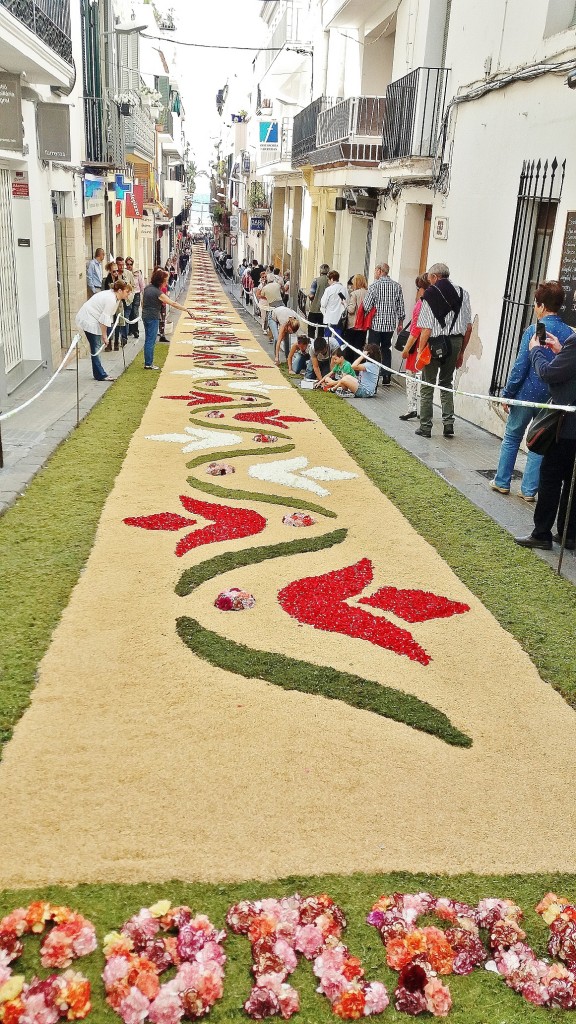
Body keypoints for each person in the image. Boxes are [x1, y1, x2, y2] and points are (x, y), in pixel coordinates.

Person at [491, 282, 573, 500]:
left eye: (536, 304)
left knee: (512, 437)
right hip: (551, 398)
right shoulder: (569, 334)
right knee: (540, 442)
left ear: (542, 306)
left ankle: (502, 482)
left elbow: (520, 366)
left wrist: (508, 393)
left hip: (525, 394)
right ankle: (528, 491)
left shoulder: (533, 331)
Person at [515, 328, 576, 551]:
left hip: (566, 427)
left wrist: (535, 352)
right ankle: (569, 534)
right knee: (572, 482)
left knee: (551, 478)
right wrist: (561, 350)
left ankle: (542, 533)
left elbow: (549, 373)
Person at [415, 262, 472, 438]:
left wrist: (419, 351)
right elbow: (468, 327)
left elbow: (426, 329)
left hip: (433, 344)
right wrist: (462, 352)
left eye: (430, 278)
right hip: (455, 342)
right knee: (446, 383)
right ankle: (448, 424)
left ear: (434, 277)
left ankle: (425, 427)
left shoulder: (430, 295)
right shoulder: (463, 293)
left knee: (427, 385)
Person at [75, 279, 130, 382]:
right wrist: (104, 336)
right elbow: (103, 320)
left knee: (96, 347)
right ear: (119, 290)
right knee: (96, 348)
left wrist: (104, 334)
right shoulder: (111, 299)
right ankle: (101, 375)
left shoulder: (114, 297)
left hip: (94, 318)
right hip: (89, 319)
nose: (128, 294)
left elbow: (107, 317)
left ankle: (98, 373)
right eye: (126, 292)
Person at [361, 264, 405, 385]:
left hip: (376, 323)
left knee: (373, 349)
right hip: (390, 325)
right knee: (386, 348)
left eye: (375, 270)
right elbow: (400, 306)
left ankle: (372, 375)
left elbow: (367, 305)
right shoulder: (397, 286)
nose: (374, 272)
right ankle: (386, 376)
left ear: (380, 271)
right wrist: (400, 322)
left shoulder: (374, 286)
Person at [141, 268, 190, 370]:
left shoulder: (147, 288)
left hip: (145, 316)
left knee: (148, 339)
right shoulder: (158, 293)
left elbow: (142, 302)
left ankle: (147, 362)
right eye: (165, 280)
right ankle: (148, 363)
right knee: (151, 340)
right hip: (153, 317)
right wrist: (186, 309)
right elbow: (173, 303)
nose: (166, 282)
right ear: (160, 280)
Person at [399, 274, 429, 421]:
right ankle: (423, 409)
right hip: (430, 346)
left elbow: (415, 331)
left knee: (411, 376)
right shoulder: (434, 304)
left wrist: (405, 350)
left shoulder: (420, 305)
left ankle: (412, 407)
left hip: (418, 347)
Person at [343, 273, 368, 361]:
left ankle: (350, 368)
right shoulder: (368, 292)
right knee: (359, 347)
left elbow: (351, 310)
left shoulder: (354, 294)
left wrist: (345, 304)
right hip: (363, 324)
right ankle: (358, 368)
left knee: (350, 347)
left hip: (353, 324)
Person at [320, 270, 347, 338]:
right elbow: (347, 302)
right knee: (338, 338)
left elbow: (323, 303)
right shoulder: (344, 289)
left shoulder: (328, 289)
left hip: (329, 318)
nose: (328, 282)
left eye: (328, 280)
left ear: (332, 279)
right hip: (340, 318)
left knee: (327, 338)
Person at [308, 263, 330, 340]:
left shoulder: (316, 281)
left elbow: (311, 295)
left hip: (315, 308)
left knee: (311, 330)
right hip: (325, 311)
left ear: (320, 271)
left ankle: (311, 345)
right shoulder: (330, 282)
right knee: (321, 331)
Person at [126, 259, 144, 339]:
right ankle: (130, 330)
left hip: (136, 294)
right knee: (129, 312)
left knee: (135, 312)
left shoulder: (137, 272)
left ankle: (136, 331)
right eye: (128, 264)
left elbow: (142, 284)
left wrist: (144, 296)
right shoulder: (125, 272)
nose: (129, 266)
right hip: (128, 294)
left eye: (130, 264)